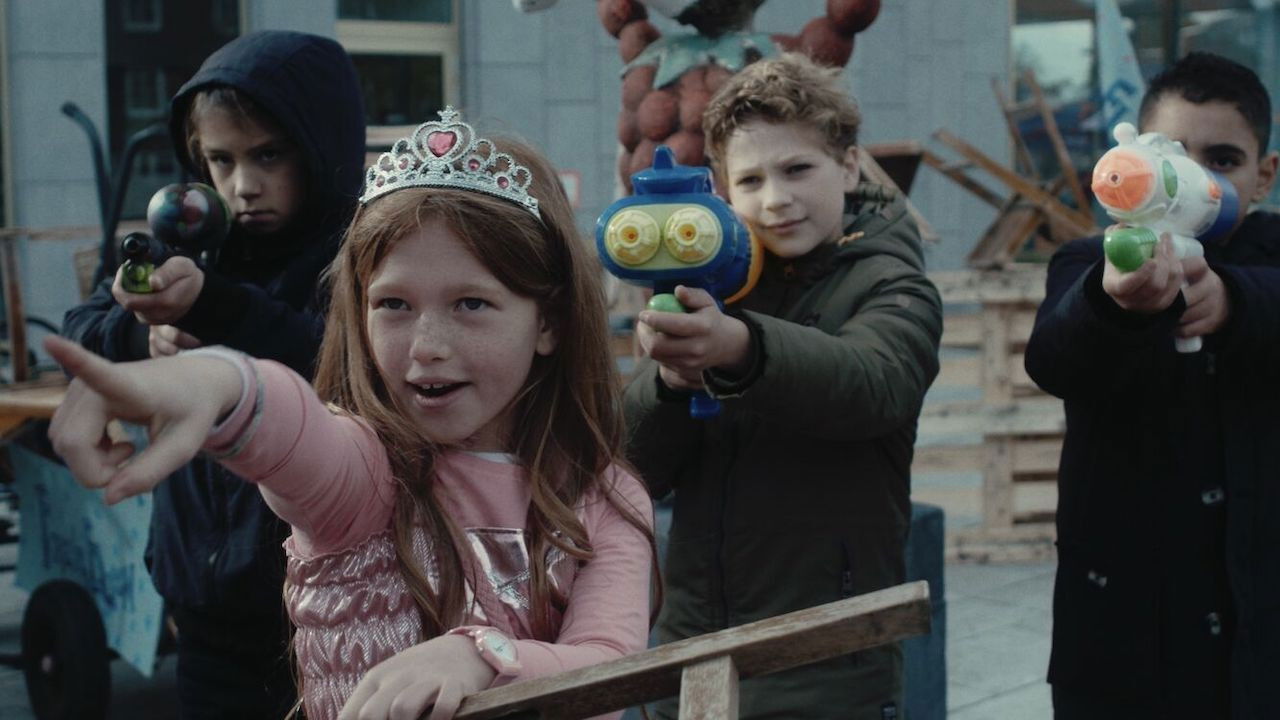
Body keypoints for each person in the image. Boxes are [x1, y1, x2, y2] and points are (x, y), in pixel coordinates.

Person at [47, 107, 656, 720]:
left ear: (548, 322)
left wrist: (485, 657)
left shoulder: (603, 496)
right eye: (393, 304)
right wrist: (217, 382)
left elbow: (609, 665)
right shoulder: (370, 472)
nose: (426, 345)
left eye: (471, 303)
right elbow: (292, 430)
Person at [623, 52, 943, 718]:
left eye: (798, 169)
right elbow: (631, 468)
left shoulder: (894, 284)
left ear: (849, 167)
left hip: (828, 666)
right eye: (751, 179)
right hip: (690, 657)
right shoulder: (709, 286)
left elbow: (874, 385)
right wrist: (672, 383)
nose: (775, 199)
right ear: (721, 188)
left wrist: (739, 348)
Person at [59, 30, 366, 718]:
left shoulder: (360, 253)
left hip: (328, 604)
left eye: (268, 155)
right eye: (220, 160)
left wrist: (217, 309)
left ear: (321, 147)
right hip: (202, 600)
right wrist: (144, 333)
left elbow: (336, 359)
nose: (242, 185)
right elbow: (84, 324)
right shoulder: (194, 240)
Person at [1023, 52, 1280, 720]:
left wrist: (1234, 302)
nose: (1195, 178)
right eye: (1176, 154)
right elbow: (1053, 359)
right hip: (1124, 649)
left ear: (1264, 176)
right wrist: (1112, 305)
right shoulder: (1088, 260)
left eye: (1223, 160)